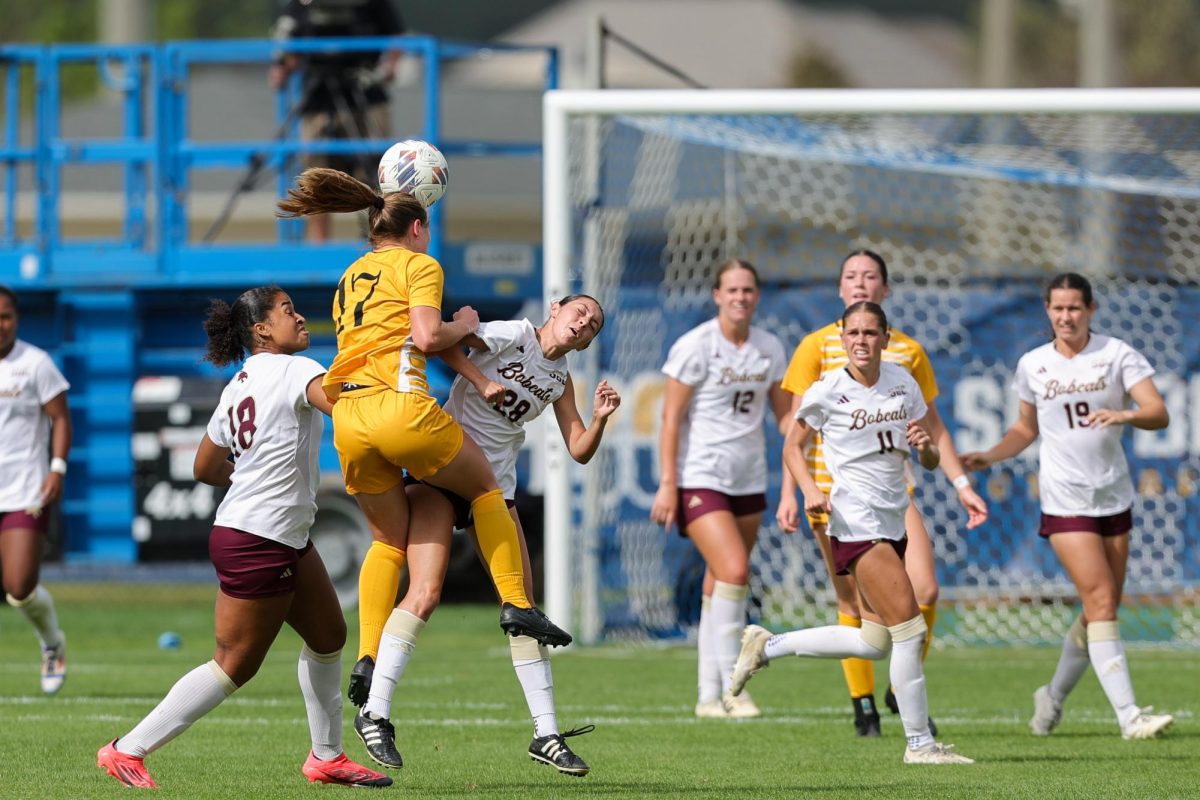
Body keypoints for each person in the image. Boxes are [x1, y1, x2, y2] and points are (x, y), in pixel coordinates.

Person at [275, 168, 570, 723]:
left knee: (387, 540)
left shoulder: (351, 273)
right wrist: (465, 323)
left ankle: (367, 655)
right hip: (400, 406)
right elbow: (428, 338)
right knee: (486, 484)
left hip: (350, 416)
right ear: (417, 228)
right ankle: (516, 604)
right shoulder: (420, 264)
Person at [96, 287, 390, 789]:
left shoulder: (239, 383)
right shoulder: (297, 370)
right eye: (288, 311)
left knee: (328, 637)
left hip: (272, 532)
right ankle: (126, 749)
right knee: (234, 665)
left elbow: (204, 466)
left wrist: (250, 476)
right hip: (260, 538)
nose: (299, 318)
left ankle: (326, 757)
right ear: (261, 330)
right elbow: (346, 409)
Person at [352, 295, 618, 776]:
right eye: (580, 312)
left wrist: (599, 419)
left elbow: (578, 449)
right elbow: (443, 346)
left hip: (493, 492)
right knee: (426, 592)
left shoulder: (560, 380)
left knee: (525, 610)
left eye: (594, 324)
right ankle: (375, 712)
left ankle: (547, 734)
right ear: (555, 309)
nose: (584, 323)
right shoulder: (516, 332)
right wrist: (481, 380)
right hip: (442, 474)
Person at [730, 301, 975, 765]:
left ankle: (769, 645)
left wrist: (926, 450)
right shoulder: (828, 390)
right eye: (853, 333)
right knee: (909, 628)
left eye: (870, 333)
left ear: (885, 337)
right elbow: (792, 447)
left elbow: (926, 457)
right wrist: (808, 491)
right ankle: (920, 744)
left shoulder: (903, 381)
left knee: (874, 641)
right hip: (854, 520)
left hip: (892, 517)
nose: (861, 340)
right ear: (842, 338)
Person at [777, 249, 987, 737]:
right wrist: (796, 491)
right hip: (836, 499)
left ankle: (899, 685)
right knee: (859, 609)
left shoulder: (905, 361)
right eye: (850, 275)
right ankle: (868, 706)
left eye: (870, 276)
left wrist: (960, 483)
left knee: (915, 599)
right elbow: (794, 434)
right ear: (839, 290)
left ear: (885, 293)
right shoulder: (816, 350)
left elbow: (932, 431)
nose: (860, 282)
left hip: (896, 491)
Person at [962, 272, 1173, 741]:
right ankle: (1130, 717)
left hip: (1112, 494)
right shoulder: (1033, 364)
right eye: (1057, 308)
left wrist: (1126, 414)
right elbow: (1024, 428)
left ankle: (1053, 696)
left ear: (1091, 310)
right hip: (1064, 499)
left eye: (1074, 307)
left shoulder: (1116, 354)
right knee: (1100, 600)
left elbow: (1159, 412)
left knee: (1102, 606)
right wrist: (991, 454)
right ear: (1047, 311)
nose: (1065, 316)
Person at [648, 259, 791, 719]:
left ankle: (708, 697)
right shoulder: (696, 346)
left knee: (719, 584)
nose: (740, 297)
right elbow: (670, 418)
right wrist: (668, 484)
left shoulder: (769, 347)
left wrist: (803, 465)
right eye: (732, 289)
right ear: (716, 295)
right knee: (733, 570)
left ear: (757, 296)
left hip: (747, 478)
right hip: (701, 476)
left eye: (748, 290)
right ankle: (734, 684)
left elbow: (786, 418)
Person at [270, 0, 405, 242]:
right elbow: (288, 37)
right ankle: (318, 246)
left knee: (376, 171)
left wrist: (388, 67)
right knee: (316, 176)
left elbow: (396, 35)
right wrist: (281, 65)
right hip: (318, 94)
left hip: (364, 90)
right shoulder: (301, 5)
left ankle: (375, 242)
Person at [0, 285, 71, 696]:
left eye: (6, 316)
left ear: (17, 319)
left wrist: (57, 468)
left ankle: (52, 643)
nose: (0, 325)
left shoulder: (36, 363)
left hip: (26, 490)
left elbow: (60, 418)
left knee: (20, 586)